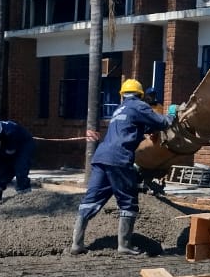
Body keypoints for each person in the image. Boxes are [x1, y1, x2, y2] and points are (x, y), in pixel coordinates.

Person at [71, 78, 174, 257]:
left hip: (101, 157)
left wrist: (146, 129)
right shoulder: (138, 106)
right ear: (140, 95)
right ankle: (124, 245)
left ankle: (76, 244)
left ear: (122, 95)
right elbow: (163, 122)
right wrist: (172, 114)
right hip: (119, 158)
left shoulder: (119, 109)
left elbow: (131, 127)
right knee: (128, 201)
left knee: (91, 200)